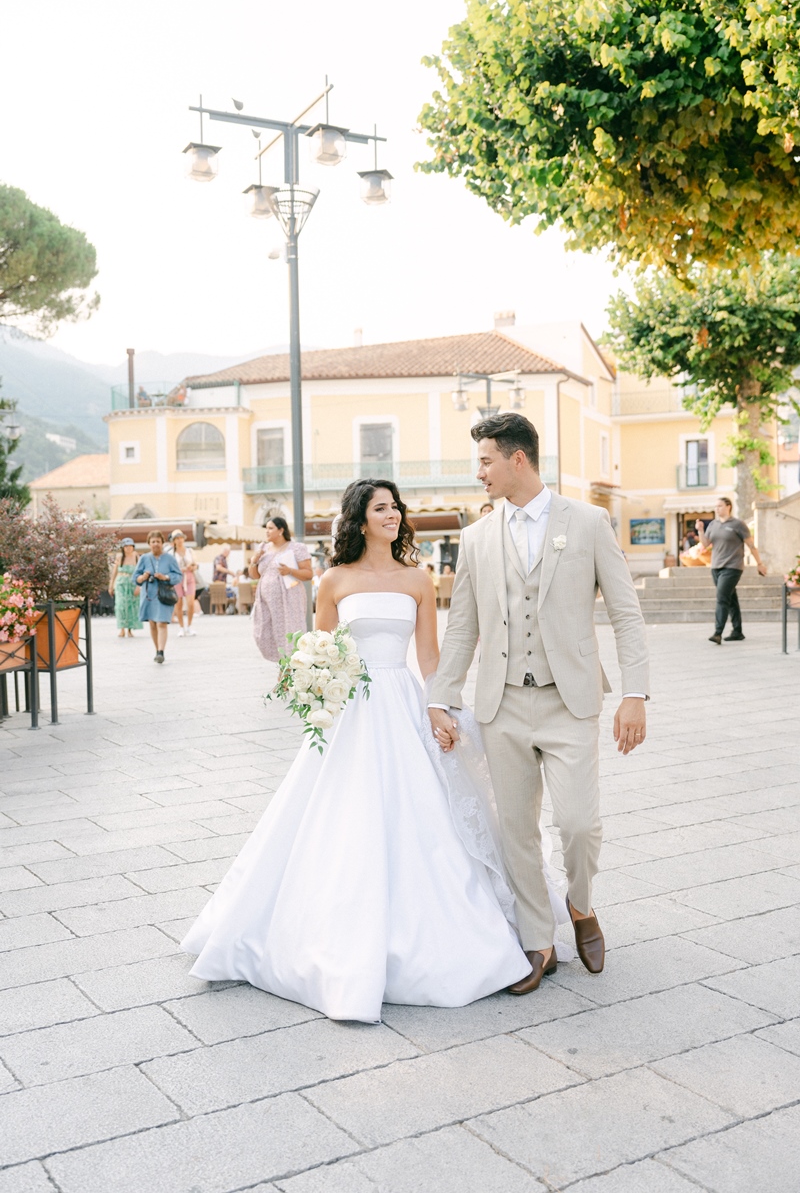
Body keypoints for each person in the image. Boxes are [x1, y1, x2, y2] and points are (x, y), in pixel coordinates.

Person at [182, 478, 549, 1023]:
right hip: (352, 711)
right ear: (359, 519)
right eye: (382, 508)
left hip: (402, 702)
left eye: (396, 506)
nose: (393, 514)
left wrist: (440, 706)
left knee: (422, 814)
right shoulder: (332, 580)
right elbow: (321, 652)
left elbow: (429, 657)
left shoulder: (417, 579)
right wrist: (316, 694)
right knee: (339, 817)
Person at [429, 413, 649, 994]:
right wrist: (441, 697)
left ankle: (580, 906)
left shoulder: (589, 521)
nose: (479, 472)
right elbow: (462, 627)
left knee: (579, 823)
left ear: (516, 459)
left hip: (569, 700)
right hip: (500, 704)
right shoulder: (475, 537)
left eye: (485, 461)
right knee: (516, 828)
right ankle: (538, 941)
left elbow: (626, 613)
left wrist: (634, 693)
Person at [696, 498, 767, 644]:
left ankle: (717, 633)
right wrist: (701, 530)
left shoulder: (738, 525)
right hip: (716, 567)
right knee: (731, 599)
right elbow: (705, 544)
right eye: (715, 506)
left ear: (728, 507)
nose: (717, 509)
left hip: (733, 567)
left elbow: (751, 546)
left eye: (720, 506)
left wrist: (759, 563)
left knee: (722, 597)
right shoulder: (713, 525)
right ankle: (737, 631)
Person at [249, 517, 312, 661]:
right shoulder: (263, 549)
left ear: (281, 530)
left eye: (270, 528)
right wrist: (254, 560)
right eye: (266, 528)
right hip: (266, 601)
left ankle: (288, 668)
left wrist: (290, 571)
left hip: (289, 598)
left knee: (289, 630)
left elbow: (308, 574)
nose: (267, 531)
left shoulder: (296, 548)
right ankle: (282, 663)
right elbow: (254, 575)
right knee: (264, 632)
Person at [132, 531, 182, 663]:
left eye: (158, 542)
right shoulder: (144, 558)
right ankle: (157, 650)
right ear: (149, 543)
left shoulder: (170, 559)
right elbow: (135, 577)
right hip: (149, 594)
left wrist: (165, 577)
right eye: (153, 542)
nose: (155, 544)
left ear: (162, 543)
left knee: (161, 622)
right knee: (153, 623)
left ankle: (161, 651)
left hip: (164, 594)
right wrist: (143, 577)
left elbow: (178, 576)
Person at [108, 538, 141, 638]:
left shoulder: (136, 556)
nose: (128, 548)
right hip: (121, 583)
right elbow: (115, 572)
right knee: (121, 606)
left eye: (130, 546)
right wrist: (111, 585)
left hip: (132, 583)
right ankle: (122, 629)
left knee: (132, 606)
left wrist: (139, 586)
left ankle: (130, 629)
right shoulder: (120, 557)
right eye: (126, 546)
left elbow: (140, 572)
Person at [169, 530, 198, 637]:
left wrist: (192, 567)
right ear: (174, 541)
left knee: (190, 603)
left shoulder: (189, 551)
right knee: (178, 603)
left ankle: (189, 626)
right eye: (177, 538)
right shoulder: (171, 553)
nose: (179, 540)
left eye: (181, 538)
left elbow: (196, 565)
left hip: (189, 576)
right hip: (177, 578)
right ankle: (181, 627)